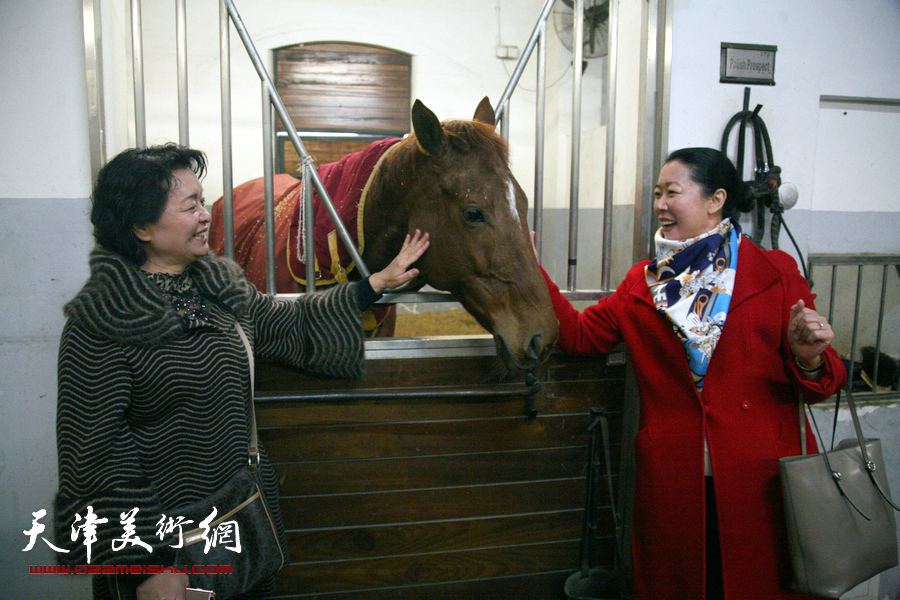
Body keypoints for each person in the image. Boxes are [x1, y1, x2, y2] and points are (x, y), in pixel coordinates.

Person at [54, 143, 429, 600]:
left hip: (238, 527)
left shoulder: (216, 289)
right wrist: (146, 567)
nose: (206, 214)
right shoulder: (102, 318)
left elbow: (287, 322)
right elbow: (93, 455)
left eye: (201, 199)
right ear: (141, 226)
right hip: (166, 554)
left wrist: (373, 284)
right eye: (190, 205)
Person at [538, 147, 846, 600]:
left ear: (715, 199)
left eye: (672, 192)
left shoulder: (775, 273)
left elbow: (825, 384)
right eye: (657, 193)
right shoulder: (641, 282)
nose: (660, 204)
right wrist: (529, 270)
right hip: (673, 476)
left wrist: (809, 357)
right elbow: (580, 336)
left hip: (761, 479)